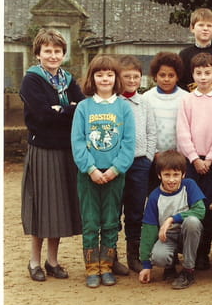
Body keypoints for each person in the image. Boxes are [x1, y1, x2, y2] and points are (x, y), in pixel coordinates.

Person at [20, 28, 84, 282]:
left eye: (57, 51)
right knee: (42, 206)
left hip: (66, 150)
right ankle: (34, 262)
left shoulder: (68, 79)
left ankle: (53, 261)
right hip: (43, 150)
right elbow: (42, 115)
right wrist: (67, 109)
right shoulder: (31, 80)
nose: (53, 55)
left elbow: (82, 107)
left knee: (59, 206)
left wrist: (61, 109)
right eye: (47, 51)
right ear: (38, 54)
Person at [71, 55, 135, 287]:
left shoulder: (123, 107)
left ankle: (106, 266)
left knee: (110, 221)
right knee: (90, 222)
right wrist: (90, 169)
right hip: (89, 175)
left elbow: (129, 143)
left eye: (109, 74)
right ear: (92, 78)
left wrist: (116, 169)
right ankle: (92, 269)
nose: (105, 79)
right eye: (100, 75)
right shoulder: (84, 107)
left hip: (114, 175)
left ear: (116, 78)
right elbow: (78, 141)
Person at [176, 53, 212, 270]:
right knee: (191, 206)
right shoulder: (187, 99)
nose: (203, 77)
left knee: (208, 208)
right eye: (198, 73)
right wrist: (194, 158)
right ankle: (189, 250)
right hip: (191, 162)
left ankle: (203, 253)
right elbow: (182, 132)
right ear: (192, 74)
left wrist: (209, 158)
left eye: (207, 72)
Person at [137, 150, 206, 290]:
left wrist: (171, 219)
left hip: (188, 234)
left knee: (192, 221)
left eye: (176, 175)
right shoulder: (154, 197)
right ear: (159, 175)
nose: (171, 180)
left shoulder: (189, 185)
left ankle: (188, 270)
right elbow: (148, 230)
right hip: (168, 237)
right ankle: (170, 265)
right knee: (158, 257)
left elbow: (200, 211)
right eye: (167, 175)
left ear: (183, 174)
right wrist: (146, 266)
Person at [117, 55, 157, 274]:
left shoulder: (145, 103)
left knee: (135, 211)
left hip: (139, 163)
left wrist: (148, 157)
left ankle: (134, 255)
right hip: (116, 164)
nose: (132, 80)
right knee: (114, 210)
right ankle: (111, 256)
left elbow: (152, 132)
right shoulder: (113, 102)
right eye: (127, 77)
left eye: (136, 76)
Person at [140, 52, 188, 167]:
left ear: (177, 77)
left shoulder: (186, 98)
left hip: (179, 157)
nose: (166, 79)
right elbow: (143, 128)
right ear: (155, 76)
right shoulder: (147, 97)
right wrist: (155, 153)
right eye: (162, 75)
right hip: (153, 156)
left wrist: (180, 154)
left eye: (171, 75)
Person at [178, 8, 212, 96]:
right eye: (201, 25)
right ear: (192, 28)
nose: (205, 29)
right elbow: (180, 81)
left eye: (209, 26)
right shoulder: (184, 55)